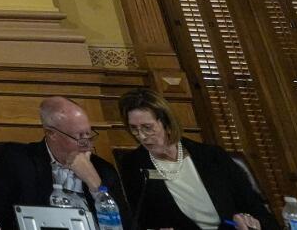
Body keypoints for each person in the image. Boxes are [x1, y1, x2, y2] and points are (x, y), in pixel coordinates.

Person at [117, 88, 277, 230]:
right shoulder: (133, 165)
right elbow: (141, 220)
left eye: (147, 127)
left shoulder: (212, 156)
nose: (142, 136)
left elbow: (257, 210)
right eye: (134, 129)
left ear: (165, 122)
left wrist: (251, 222)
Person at [0, 96, 130, 230]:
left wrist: (95, 185)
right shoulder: (19, 160)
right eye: (79, 136)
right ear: (51, 134)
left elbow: (126, 225)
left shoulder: (103, 170)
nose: (87, 144)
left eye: (88, 134)